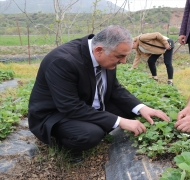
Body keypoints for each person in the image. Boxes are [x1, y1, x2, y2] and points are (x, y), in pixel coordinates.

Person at [28, 25, 170, 164]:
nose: (124, 61)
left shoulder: (106, 55)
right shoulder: (63, 61)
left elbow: (115, 88)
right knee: (90, 134)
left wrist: (142, 108)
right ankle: (63, 143)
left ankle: (101, 125)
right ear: (99, 50)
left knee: (131, 111)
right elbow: (70, 107)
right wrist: (119, 121)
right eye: (120, 56)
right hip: (56, 113)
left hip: (87, 103)